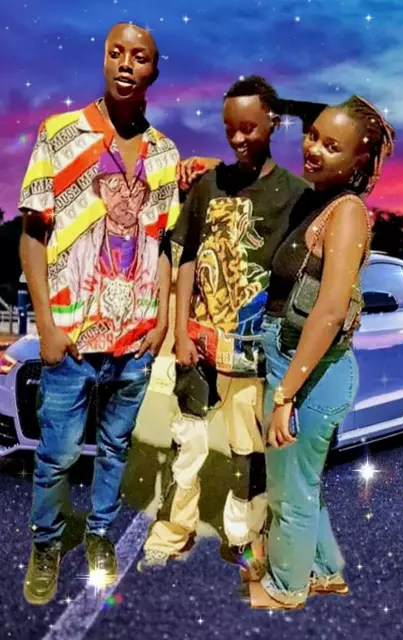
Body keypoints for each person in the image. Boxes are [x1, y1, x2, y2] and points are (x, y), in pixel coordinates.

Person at [19, 22, 216, 606]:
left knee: (115, 450)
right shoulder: (60, 134)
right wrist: (46, 326)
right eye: (116, 53)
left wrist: (162, 321)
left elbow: (164, 243)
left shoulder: (164, 154)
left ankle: (100, 533)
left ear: (155, 70)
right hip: (71, 337)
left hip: (135, 341)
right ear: (104, 61)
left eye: (140, 57)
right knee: (56, 456)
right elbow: (32, 234)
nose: (127, 64)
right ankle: (47, 542)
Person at [140, 76, 309, 573]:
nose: (238, 138)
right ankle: (177, 528)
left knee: (247, 450)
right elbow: (187, 257)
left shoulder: (295, 195)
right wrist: (180, 332)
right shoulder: (207, 186)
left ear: (273, 123)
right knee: (187, 442)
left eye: (249, 128)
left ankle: (242, 535)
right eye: (230, 128)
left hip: (252, 351)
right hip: (199, 344)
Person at [244, 95, 395, 609]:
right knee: (303, 481)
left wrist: (285, 395)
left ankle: (286, 589)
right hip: (298, 363)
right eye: (313, 136)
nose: (314, 149)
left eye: (332, 146)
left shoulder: (346, 213)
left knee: (288, 490)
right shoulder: (320, 200)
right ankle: (326, 571)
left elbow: (329, 311)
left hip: (307, 372)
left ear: (357, 162)